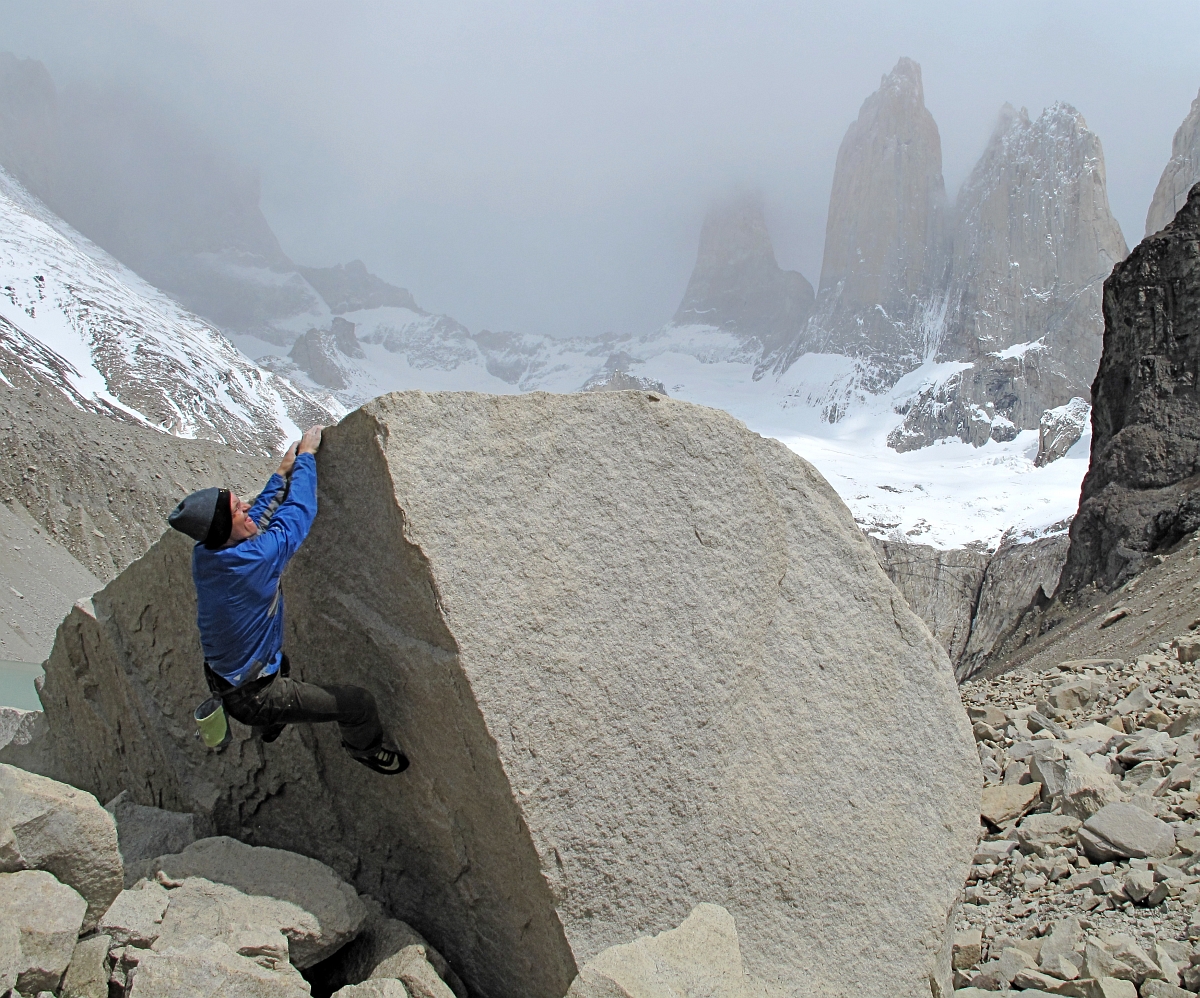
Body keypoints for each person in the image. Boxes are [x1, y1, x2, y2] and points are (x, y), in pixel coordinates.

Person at [167, 425, 408, 775]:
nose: (247, 506)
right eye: (238, 508)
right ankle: (366, 750)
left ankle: (270, 725)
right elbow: (297, 514)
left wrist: (281, 473)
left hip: (230, 678)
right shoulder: (255, 561)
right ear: (224, 528)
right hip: (255, 695)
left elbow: (255, 519)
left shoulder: (208, 553)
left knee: (283, 664)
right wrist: (307, 458)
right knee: (358, 704)